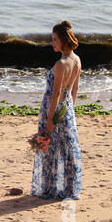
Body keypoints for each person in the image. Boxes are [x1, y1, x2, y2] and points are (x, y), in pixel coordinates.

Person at [30, 20, 82, 200]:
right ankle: (69, 186)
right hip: (67, 108)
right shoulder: (76, 60)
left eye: (54, 39)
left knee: (50, 148)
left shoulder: (61, 64)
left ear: (63, 41)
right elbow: (74, 89)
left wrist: (50, 118)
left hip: (53, 108)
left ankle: (50, 187)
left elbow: (55, 93)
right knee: (67, 147)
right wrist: (69, 110)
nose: (52, 43)